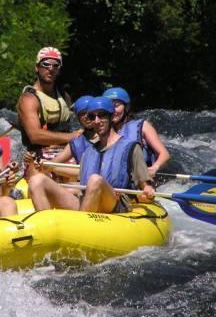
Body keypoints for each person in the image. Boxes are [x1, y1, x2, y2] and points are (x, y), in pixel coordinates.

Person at [27, 96, 155, 213]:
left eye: (102, 115)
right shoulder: (88, 152)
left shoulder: (131, 147)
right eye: (92, 117)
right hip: (86, 203)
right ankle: (48, 229)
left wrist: (147, 193)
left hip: (115, 203)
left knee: (95, 180)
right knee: (37, 180)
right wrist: (52, 175)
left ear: (111, 117)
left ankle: (81, 227)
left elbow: (145, 186)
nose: (97, 121)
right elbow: (81, 186)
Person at [17, 47, 81, 175]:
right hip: (39, 157)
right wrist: (72, 137)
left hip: (67, 154)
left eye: (55, 65)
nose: (50, 69)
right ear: (37, 67)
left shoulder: (64, 96)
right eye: (45, 64)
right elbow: (35, 135)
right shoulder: (29, 99)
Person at [25, 95, 97, 180]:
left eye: (89, 112)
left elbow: (90, 171)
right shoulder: (77, 141)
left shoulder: (109, 136)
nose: (86, 116)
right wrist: (35, 162)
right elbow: (53, 163)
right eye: (82, 114)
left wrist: (52, 167)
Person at [103, 87, 170, 178]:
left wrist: (155, 167)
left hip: (140, 182)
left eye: (116, 105)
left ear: (126, 107)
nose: (113, 110)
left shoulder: (143, 126)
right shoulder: (102, 129)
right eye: (109, 107)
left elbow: (164, 154)